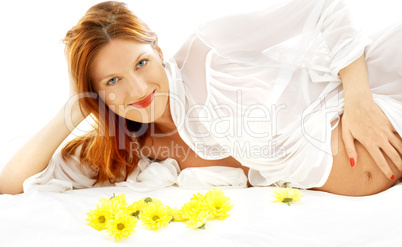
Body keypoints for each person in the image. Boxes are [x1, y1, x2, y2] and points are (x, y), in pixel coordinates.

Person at [0, 0, 401, 196]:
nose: (138, 91)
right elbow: (11, 186)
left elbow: (324, 7)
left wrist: (360, 99)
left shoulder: (208, 50)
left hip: (384, 94)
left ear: (156, 47)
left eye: (141, 63)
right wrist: (72, 109)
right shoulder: (130, 150)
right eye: (113, 81)